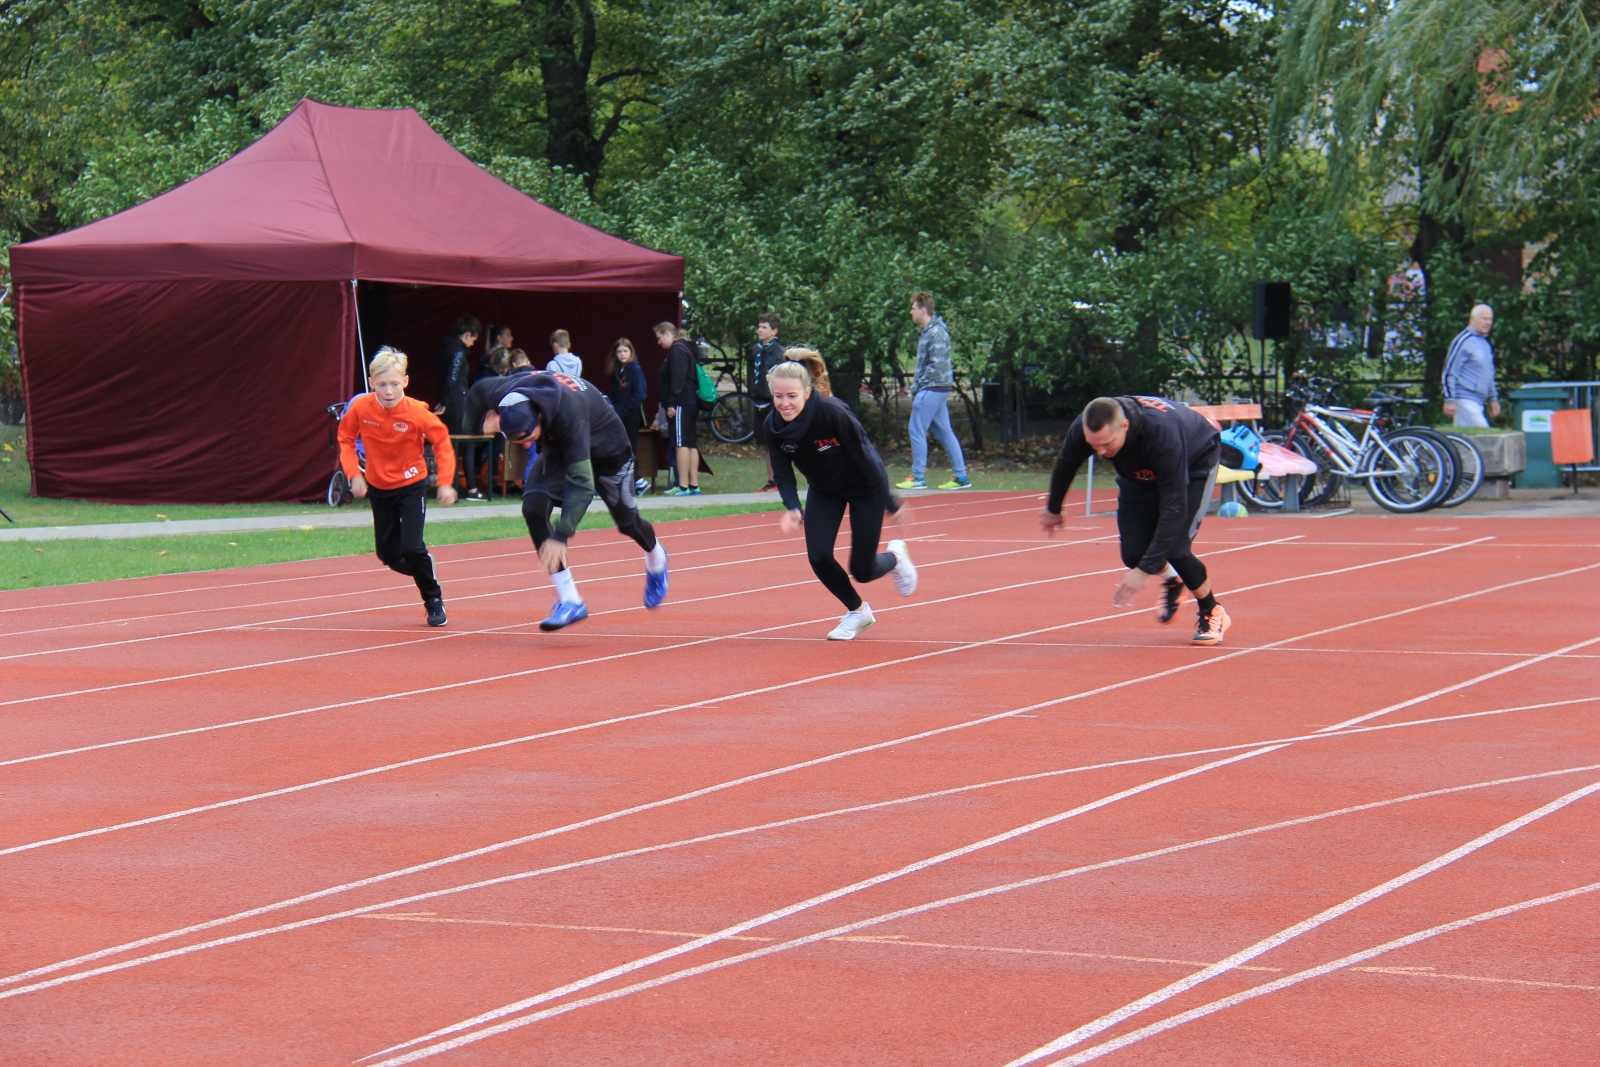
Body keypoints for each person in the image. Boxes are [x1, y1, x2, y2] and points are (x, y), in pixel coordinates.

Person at [481, 369, 669, 629]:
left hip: (609, 455)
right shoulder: (506, 394)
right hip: (562, 450)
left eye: (529, 434)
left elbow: (582, 484)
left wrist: (561, 535)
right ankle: (570, 599)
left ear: (538, 415)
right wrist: (477, 421)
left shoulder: (569, 414)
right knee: (534, 507)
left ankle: (657, 558)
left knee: (628, 523)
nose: (526, 442)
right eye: (517, 439)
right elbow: (475, 394)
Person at [1038, 395, 1231, 645]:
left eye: (1107, 444)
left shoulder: (1163, 435)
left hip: (1194, 464)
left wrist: (1144, 572)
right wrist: (1054, 508)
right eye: (1094, 446)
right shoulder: (1084, 427)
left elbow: (1174, 509)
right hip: (1138, 475)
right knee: (1133, 554)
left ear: (1125, 426)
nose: (1101, 452)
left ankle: (1212, 610)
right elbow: (1067, 463)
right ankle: (1175, 579)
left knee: (1175, 547)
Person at [765, 360, 918, 640]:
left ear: (807, 393)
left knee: (862, 570)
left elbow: (867, 457)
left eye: (792, 396)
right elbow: (783, 473)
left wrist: (890, 503)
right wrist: (792, 508)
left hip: (864, 487)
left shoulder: (831, 413)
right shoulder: (772, 425)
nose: (784, 403)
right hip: (825, 490)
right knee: (818, 556)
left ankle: (895, 558)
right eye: (778, 396)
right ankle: (858, 611)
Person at [338, 347, 457, 627]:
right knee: (388, 554)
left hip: (411, 485)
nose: (388, 391)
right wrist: (355, 474)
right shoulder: (360, 408)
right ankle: (424, 569)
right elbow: (345, 439)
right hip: (379, 487)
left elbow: (442, 443)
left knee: (413, 547)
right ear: (371, 383)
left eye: (394, 384)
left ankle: (433, 600)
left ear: (405, 381)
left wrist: (445, 483)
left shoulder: (417, 412)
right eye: (381, 385)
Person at [898, 292, 971, 491]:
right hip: (936, 388)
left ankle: (918, 477)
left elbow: (935, 367)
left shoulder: (936, 333)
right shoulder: (928, 332)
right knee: (945, 432)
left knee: (916, 429)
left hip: (932, 388)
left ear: (923, 310)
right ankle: (961, 476)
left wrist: (917, 387)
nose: (911, 312)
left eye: (913, 308)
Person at [656, 322, 702, 496]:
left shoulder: (677, 350)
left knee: (681, 443)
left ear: (668, 334)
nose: (659, 342)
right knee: (690, 444)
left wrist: (672, 402)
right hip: (690, 402)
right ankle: (693, 484)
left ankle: (683, 485)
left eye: (660, 338)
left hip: (681, 403)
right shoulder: (686, 348)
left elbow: (678, 377)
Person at [1443, 304, 1501, 427]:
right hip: (1465, 398)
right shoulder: (1463, 341)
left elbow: (1489, 374)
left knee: (1467, 443)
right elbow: (1449, 372)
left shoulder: (1485, 344)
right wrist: (1450, 399)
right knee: (1484, 436)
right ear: (1473, 319)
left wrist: (1493, 399)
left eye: (1490, 319)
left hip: (1479, 401)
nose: (1488, 323)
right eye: (1484, 319)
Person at [749, 313, 788, 491]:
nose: (760, 330)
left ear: (774, 331)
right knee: (766, 442)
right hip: (758, 399)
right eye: (759, 327)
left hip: (773, 400)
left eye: (764, 327)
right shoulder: (755, 350)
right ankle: (771, 480)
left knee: (778, 441)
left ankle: (782, 480)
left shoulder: (780, 352)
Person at [607, 337, 649, 444]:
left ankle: (633, 462)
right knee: (619, 445)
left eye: (625, 351)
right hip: (618, 414)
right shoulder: (616, 371)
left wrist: (625, 409)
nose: (622, 354)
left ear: (631, 352)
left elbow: (640, 394)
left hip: (631, 414)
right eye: (619, 351)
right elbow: (613, 393)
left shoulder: (635, 369)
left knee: (630, 447)